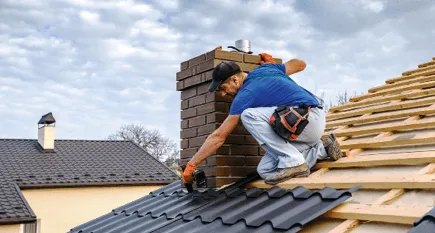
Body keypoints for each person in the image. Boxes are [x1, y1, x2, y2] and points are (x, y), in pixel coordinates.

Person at [181, 53, 342, 185]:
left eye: (223, 88)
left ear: (235, 80)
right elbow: (301, 63)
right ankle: (322, 149)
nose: (223, 94)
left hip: (307, 118)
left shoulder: (245, 95)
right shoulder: (266, 69)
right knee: (265, 171)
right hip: (307, 126)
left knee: (248, 115)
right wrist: (274, 67)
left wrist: (192, 164)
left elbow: (219, 137)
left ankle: (294, 162)